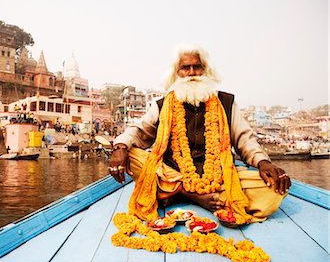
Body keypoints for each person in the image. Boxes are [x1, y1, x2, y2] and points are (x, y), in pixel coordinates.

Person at [108, 43, 291, 225]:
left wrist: (263, 162)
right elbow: (138, 131)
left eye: (197, 67)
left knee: (273, 190)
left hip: (219, 178)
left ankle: (174, 194)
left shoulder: (226, 102)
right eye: (185, 68)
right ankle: (188, 194)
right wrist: (120, 146)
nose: (192, 73)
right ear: (176, 73)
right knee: (131, 155)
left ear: (205, 70)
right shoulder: (163, 105)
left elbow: (245, 140)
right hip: (174, 176)